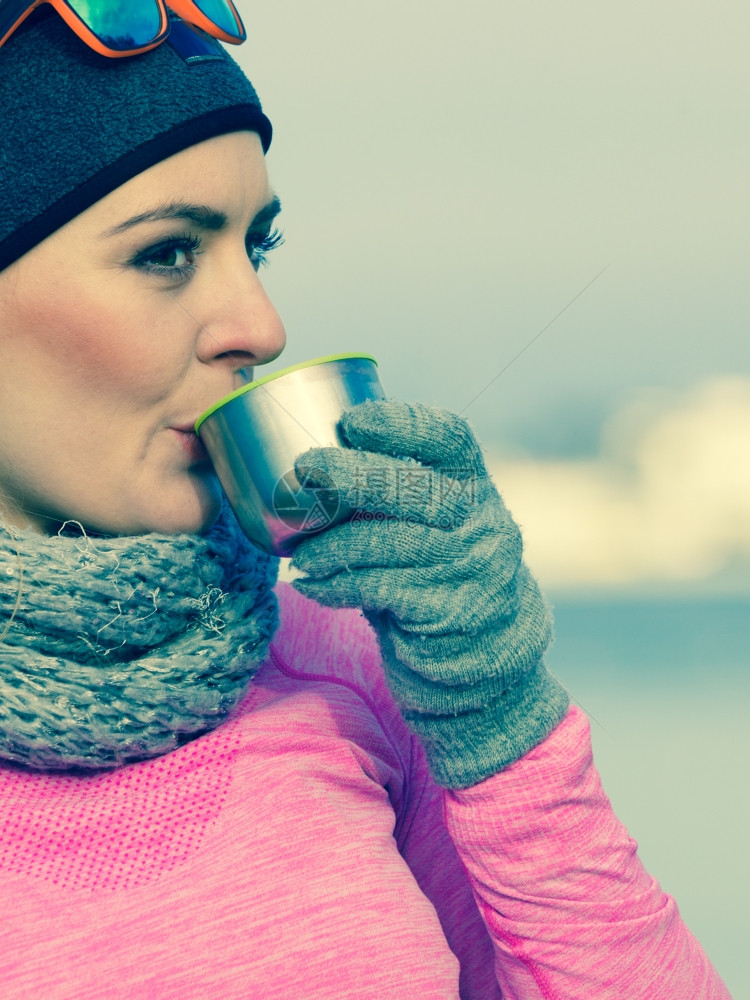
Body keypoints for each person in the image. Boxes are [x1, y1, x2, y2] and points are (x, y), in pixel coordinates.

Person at [0, 5, 730, 999]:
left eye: (256, 247)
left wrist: (501, 717)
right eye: (169, 252)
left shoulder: (347, 663)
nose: (261, 324)